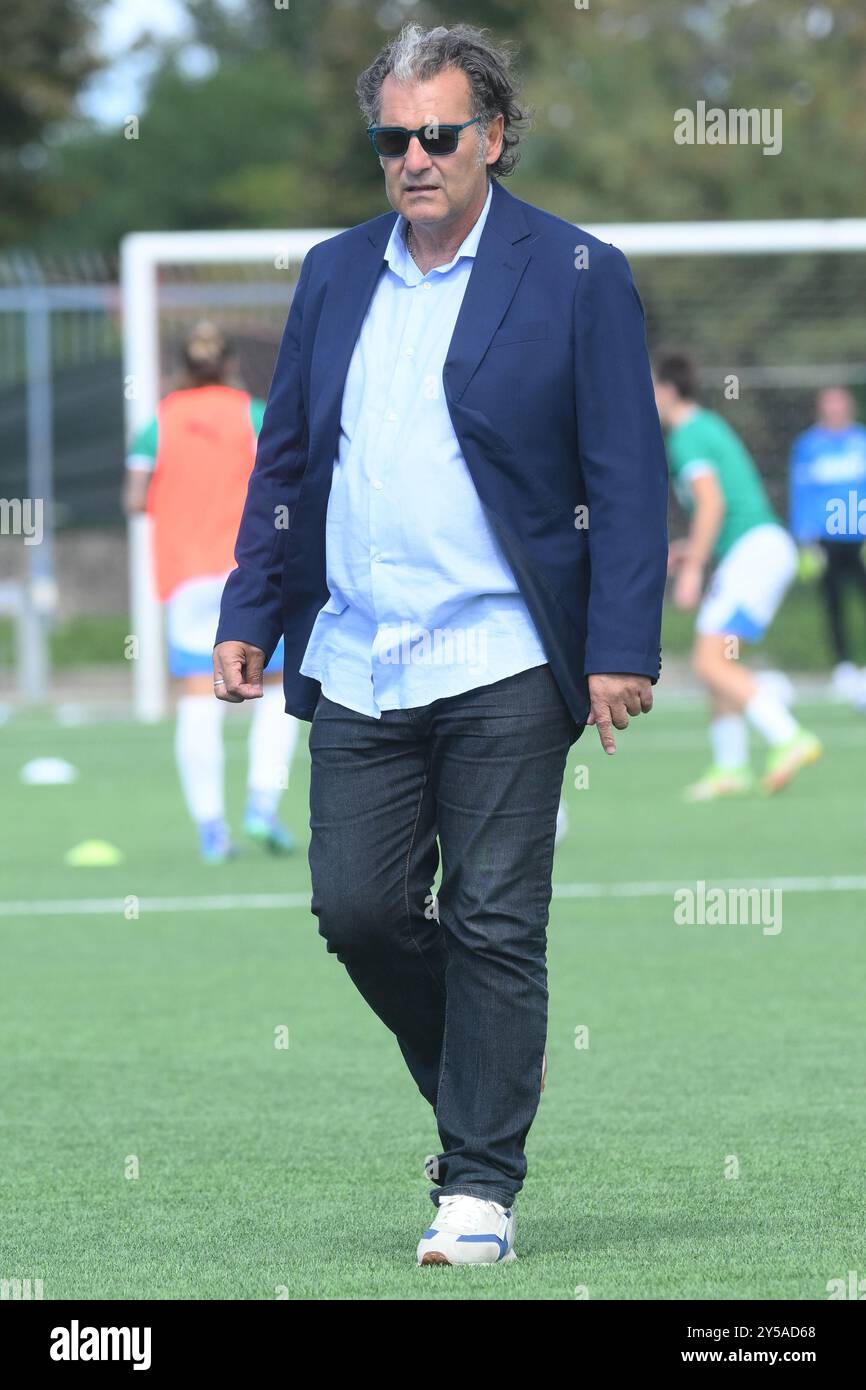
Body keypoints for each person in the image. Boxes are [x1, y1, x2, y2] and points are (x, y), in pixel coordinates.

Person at [213, 23, 668, 1264]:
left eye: (438, 134)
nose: (413, 157)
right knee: (356, 909)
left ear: (492, 136)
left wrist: (620, 645)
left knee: (493, 919)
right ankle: (472, 1088)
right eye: (392, 138)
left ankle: (476, 1185)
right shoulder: (333, 271)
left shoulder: (577, 272)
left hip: (508, 656)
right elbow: (290, 460)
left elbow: (625, 475)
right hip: (357, 652)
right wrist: (250, 609)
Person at [124, 321, 300, 863]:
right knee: (272, 686)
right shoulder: (254, 413)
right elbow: (286, 479)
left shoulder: (158, 420)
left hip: (186, 576)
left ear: (182, 366)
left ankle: (211, 829)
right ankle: (263, 804)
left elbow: (135, 499)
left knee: (200, 695)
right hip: (249, 573)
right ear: (229, 365)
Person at [654, 352, 822, 800]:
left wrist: (692, 570)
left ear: (669, 390)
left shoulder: (687, 437)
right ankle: (730, 767)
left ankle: (789, 736)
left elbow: (712, 504)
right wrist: (691, 550)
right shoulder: (706, 426)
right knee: (718, 661)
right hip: (761, 547)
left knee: (709, 661)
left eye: (651, 387)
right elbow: (730, 505)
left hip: (755, 552)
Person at [789, 386, 866, 699]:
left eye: (840, 405)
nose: (835, 410)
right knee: (833, 604)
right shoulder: (808, 445)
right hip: (826, 540)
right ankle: (844, 666)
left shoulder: (861, 440)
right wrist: (804, 539)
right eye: (829, 405)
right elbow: (800, 492)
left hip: (861, 537)